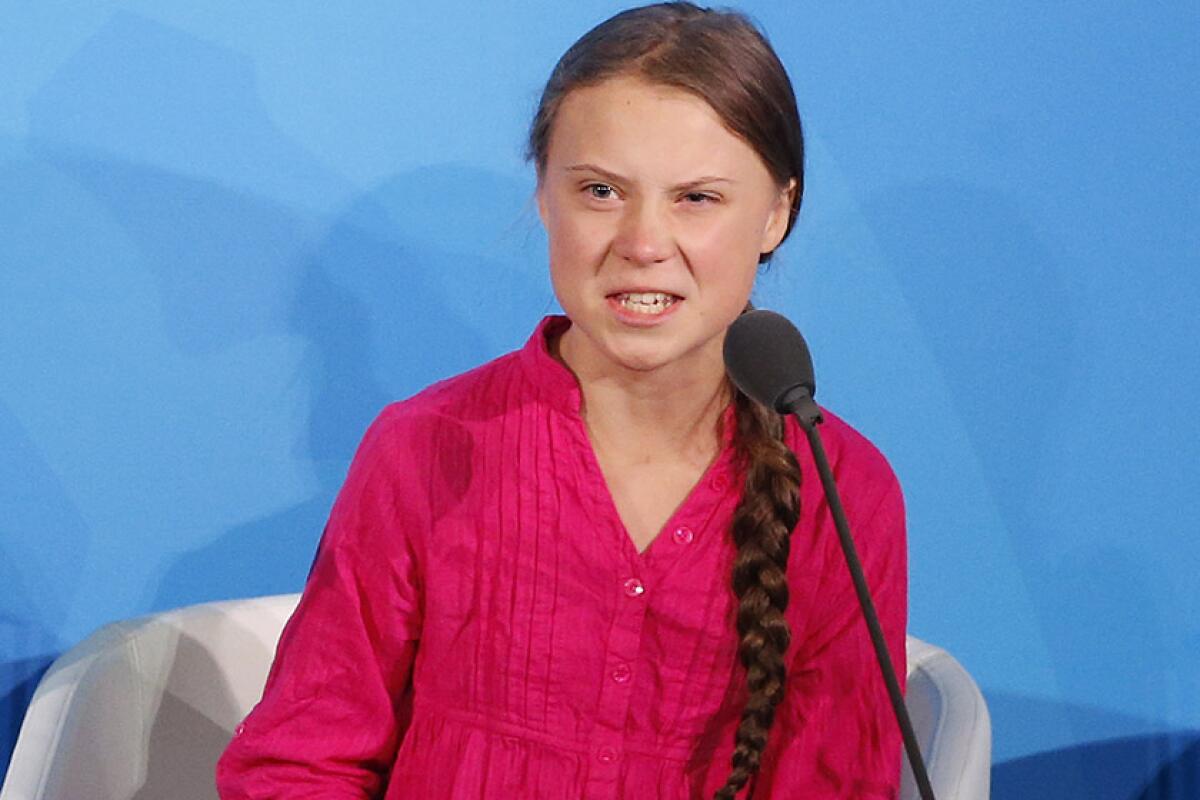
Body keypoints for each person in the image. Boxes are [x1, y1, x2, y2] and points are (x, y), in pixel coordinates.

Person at [216, 3, 907, 798]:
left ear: (776, 213)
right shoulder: (423, 446)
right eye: (603, 190)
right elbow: (300, 764)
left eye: (697, 199)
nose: (643, 243)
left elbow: (836, 781)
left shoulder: (842, 488)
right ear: (545, 197)